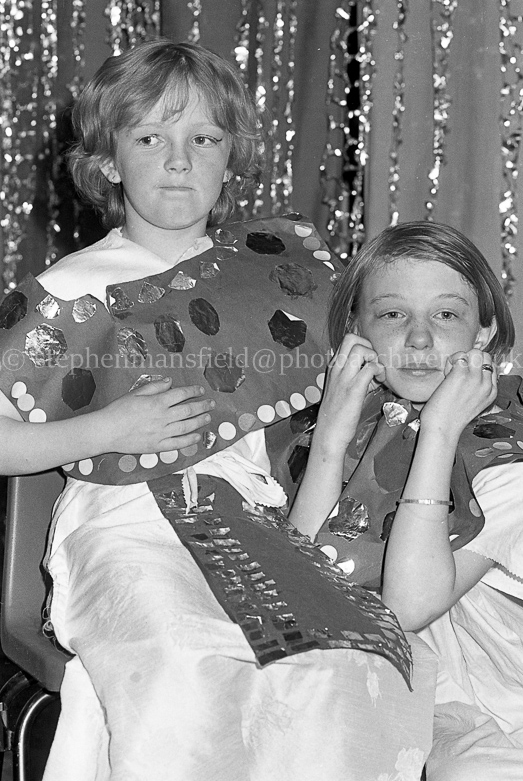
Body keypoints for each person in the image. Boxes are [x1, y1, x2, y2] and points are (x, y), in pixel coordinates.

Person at [0, 40, 436, 781]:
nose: (179, 161)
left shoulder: (274, 275)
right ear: (108, 161)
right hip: (127, 525)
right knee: (183, 661)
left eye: (203, 139)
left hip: (262, 525)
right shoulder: (74, 287)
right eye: (150, 138)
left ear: (231, 158)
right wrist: (108, 429)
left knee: (351, 665)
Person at [290, 220, 523, 780]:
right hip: (439, 705)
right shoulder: (360, 425)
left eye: (446, 315)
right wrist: (331, 438)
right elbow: (303, 589)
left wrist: (439, 431)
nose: (419, 339)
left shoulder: (509, 456)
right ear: (356, 328)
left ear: (484, 333)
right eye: (394, 313)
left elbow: (408, 606)